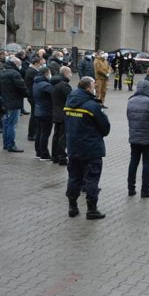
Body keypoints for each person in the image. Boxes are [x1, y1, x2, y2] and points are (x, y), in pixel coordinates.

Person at [65, 76, 111, 219]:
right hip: (91, 149)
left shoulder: (69, 102)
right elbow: (105, 128)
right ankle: (91, 209)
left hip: (73, 147)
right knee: (91, 179)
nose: (95, 88)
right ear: (87, 88)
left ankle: (72, 207)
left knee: (73, 178)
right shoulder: (92, 106)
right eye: (93, 86)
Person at [126, 80, 149, 198]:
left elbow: (129, 117)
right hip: (148, 137)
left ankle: (131, 188)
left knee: (133, 162)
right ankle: (145, 190)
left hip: (134, 137)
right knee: (146, 164)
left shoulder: (130, 101)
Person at [0, 56, 29, 153]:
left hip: (5, 101)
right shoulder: (15, 74)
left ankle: (6, 144)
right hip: (14, 102)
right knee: (12, 124)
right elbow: (21, 87)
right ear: (16, 64)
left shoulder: (3, 72)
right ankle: (11, 145)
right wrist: (27, 94)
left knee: (6, 123)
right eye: (19, 64)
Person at [51, 66, 72, 165]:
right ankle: (62, 157)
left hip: (56, 112)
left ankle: (55, 156)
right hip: (63, 114)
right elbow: (70, 99)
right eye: (70, 73)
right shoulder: (64, 85)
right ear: (66, 73)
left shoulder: (54, 83)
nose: (71, 75)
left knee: (56, 136)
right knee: (62, 137)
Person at [33, 66, 54, 161]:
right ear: (46, 74)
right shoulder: (46, 85)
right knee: (45, 134)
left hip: (38, 111)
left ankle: (38, 152)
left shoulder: (36, 83)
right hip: (46, 112)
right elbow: (54, 94)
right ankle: (44, 154)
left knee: (39, 133)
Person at [24, 57, 44, 141]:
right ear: (36, 63)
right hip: (33, 96)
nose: (41, 65)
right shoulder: (33, 72)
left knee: (34, 114)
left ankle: (33, 133)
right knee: (34, 115)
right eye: (41, 64)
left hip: (32, 95)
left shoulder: (31, 70)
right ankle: (32, 134)